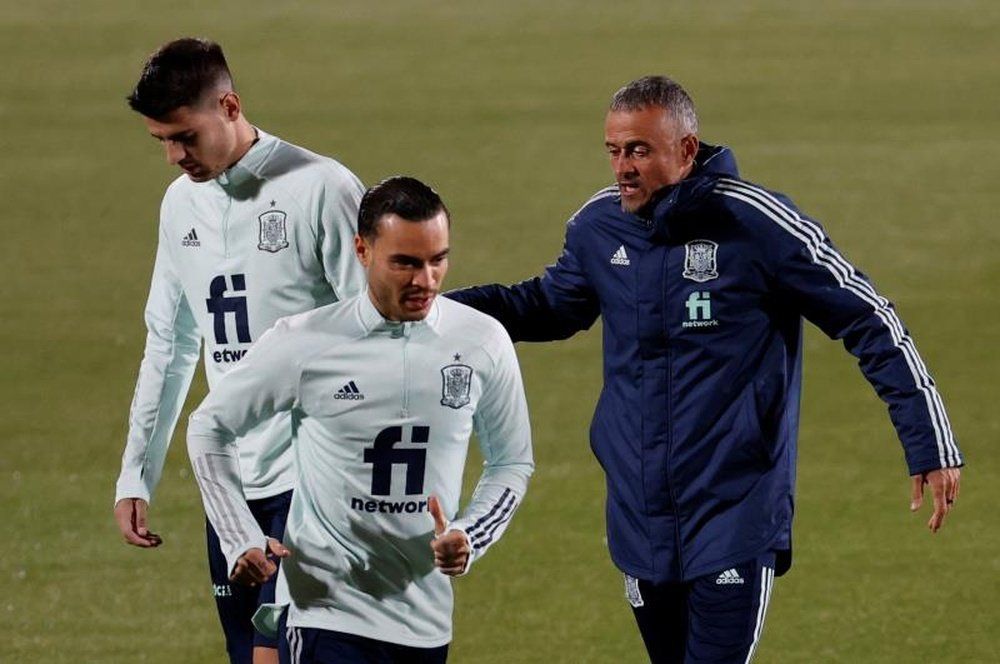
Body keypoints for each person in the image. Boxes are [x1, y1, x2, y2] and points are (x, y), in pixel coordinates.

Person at [446, 75, 963, 663]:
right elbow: (544, 306)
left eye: (639, 150)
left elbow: (868, 319)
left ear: (687, 149)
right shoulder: (599, 227)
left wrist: (929, 441)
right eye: (614, 150)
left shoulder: (756, 224)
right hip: (639, 517)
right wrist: (433, 304)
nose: (623, 167)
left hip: (734, 511)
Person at [186, 176, 534, 664]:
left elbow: (511, 463)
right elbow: (209, 427)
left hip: (424, 620)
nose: (426, 280)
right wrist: (237, 533)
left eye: (438, 260)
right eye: (406, 263)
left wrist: (470, 535)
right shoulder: (305, 343)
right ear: (362, 250)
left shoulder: (481, 342)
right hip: (325, 609)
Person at [112, 38, 366, 664]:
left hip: (313, 479)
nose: (174, 156)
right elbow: (170, 345)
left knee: (280, 653)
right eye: (162, 142)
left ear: (229, 105)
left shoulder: (322, 188)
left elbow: (375, 332)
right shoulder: (179, 207)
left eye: (185, 137)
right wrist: (135, 473)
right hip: (227, 479)